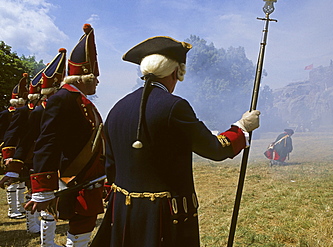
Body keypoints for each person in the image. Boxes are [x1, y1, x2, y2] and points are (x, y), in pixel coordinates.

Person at [91, 36, 260, 247]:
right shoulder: (175, 107)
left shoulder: (117, 108)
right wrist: (242, 127)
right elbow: (215, 149)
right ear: (175, 72)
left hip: (123, 210)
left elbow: (111, 165)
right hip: (163, 216)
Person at [24, 24, 105, 247]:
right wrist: (42, 188)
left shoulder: (81, 101)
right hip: (72, 175)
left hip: (87, 177)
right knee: (80, 223)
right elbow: (47, 141)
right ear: (81, 78)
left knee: (84, 225)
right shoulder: (63, 98)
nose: (97, 81)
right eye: (93, 76)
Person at [0, 48, 67, 239]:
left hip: (41, 156)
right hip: (33, 157)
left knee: (35, 192)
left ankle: (35, 227)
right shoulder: (31, 112)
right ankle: (34, 226)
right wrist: (11, 158)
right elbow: (17, 135)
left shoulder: (45, 109)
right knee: (32, 191)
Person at [1, 73, 30, 219]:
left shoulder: (24, 113)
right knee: (11, 181)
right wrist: (7, 153)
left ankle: (20, 207)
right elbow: (6, 134)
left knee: (22, 180)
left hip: (21, 149)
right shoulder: (6, 114)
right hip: (10, 150)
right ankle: (12, 210)